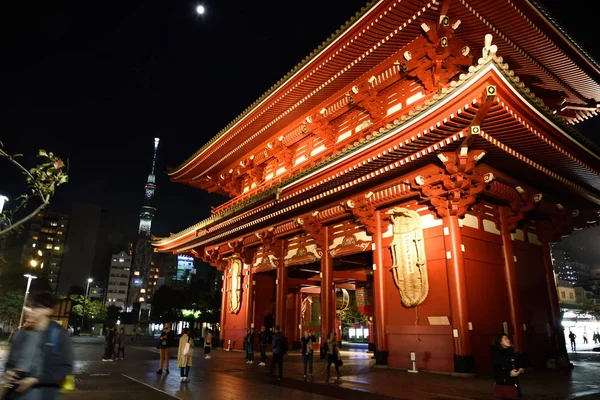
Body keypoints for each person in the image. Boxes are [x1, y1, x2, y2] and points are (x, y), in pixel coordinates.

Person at [3, 291, 74, 400]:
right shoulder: (21, 333)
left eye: (35, 307)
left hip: (42, 394)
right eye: (29, 307)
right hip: (15, 393)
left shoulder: (58, 334)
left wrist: (37, 380)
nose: (30, 311)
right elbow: (10, 363)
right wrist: (9, 371)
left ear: (48, 310)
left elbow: (65, 367)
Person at [491, 334, 524, 399]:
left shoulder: (511, 353)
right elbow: (495, 372)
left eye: (508, 339)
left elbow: (514, 366)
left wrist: (520, 370)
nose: (508, 340)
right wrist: (509, 373)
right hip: (504, 385)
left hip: (514, 384)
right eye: (505, 339)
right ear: (500, 342)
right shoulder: (497, 355)